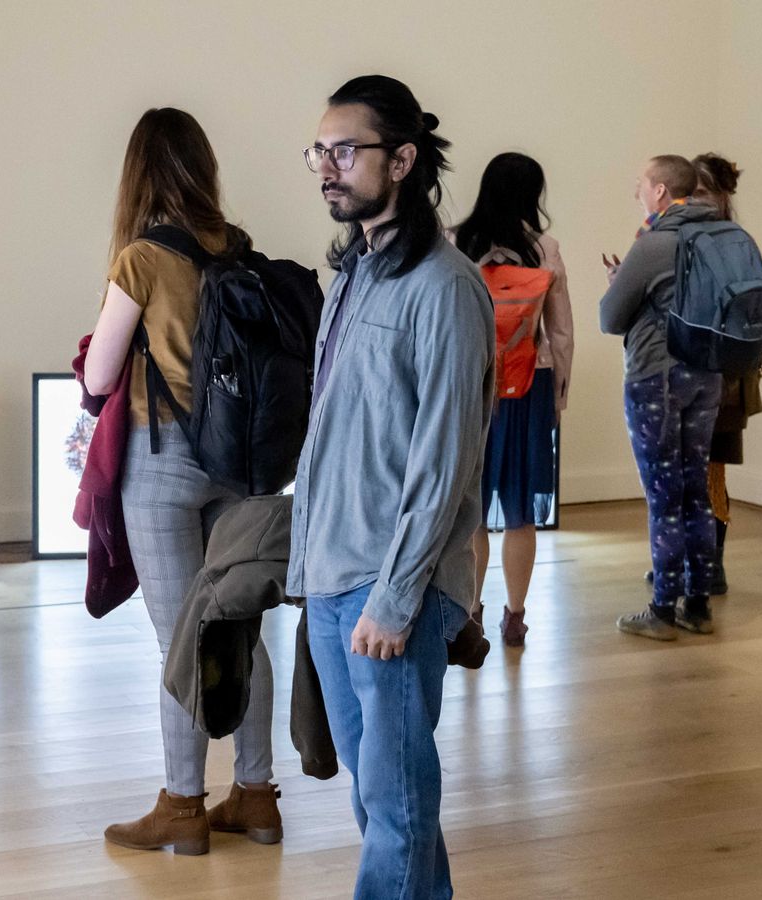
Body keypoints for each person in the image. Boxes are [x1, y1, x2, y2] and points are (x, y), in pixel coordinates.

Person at [290, 74, 493, 899]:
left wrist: (397, 598)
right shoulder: (355, 275)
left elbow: (444, 461)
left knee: (397, 805)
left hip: (389, 587)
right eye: (319, 151)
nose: (327, 168)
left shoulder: (445, 288)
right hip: (334, 575)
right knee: (382, 801)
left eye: (345, 151)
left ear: (402, 161)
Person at [82, 108, 278, 857]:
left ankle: (183, 806)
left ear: (137, 173)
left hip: (162, 460)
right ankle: (256, 797)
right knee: (242, 629)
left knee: (183, 639)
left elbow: (100, 375)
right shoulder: (239, 249)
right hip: (239, 462)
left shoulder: (141, 258)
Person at [598, 155, 724, 640]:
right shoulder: (720, 237)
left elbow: (610, 318)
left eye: (642, 183)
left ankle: (663, 611)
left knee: (664, 496)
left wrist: (618, 284)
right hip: (707, 374)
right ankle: (699, 605)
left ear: (661, 192)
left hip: (656, 376)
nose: (637, 191)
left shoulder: (654, 243)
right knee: (696, 490)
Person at [451, 152, 574, 648]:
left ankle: (470, 612)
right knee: (521, 510)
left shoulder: (454, 243)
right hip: (528, 386)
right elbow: (561, 333)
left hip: (468, 385)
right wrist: (559, 396)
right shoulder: (544, 248)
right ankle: (516, 617)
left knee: (471, 508)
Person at [691, 152, 762, 594]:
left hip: (724, 377)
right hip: (690, 372)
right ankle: (686, 562)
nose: (694, 200)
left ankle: (711, 565)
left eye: (703, 192)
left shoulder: (736, 243)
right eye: (690, 192)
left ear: (722, 196)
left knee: (712, 473)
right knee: (683, 474)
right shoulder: (685, 238)